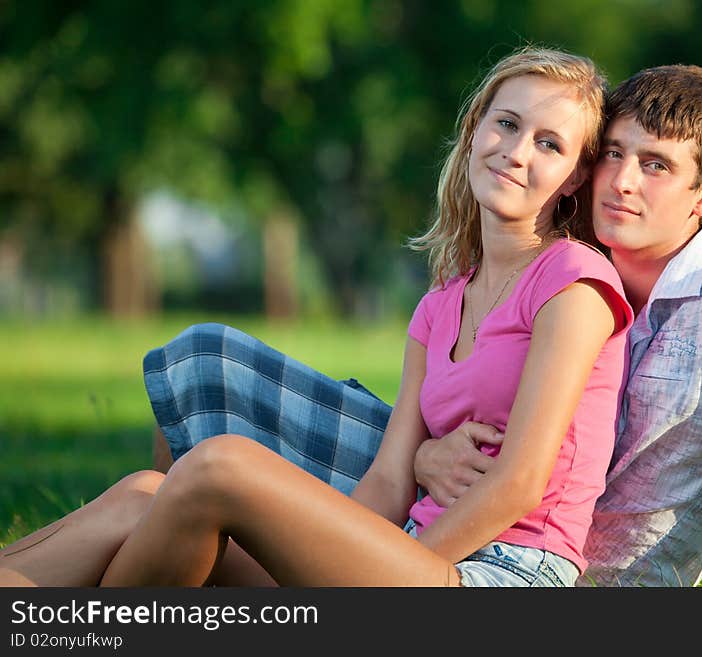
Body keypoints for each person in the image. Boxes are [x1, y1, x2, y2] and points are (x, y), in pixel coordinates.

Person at [149, 60, 702, 585]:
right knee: (196, 385)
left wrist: (410, 550)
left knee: (218, 479)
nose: (623, 180)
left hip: (547, 566)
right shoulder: (580, 257)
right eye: (615, 155)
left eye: (655, 166)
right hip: (455, 505)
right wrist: (422, 460)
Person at [0, 46, 633, 587]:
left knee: (221, 465)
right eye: (506, 124)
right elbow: (388, 482)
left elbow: (521, 483)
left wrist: (372, 585)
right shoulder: (441, 303)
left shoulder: (574, 282)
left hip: (501, 575)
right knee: (145, 494)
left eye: (549, 144)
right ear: (475, 129)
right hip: (408, 556)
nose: (517, 152)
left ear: (576, 176)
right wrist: (323, 555)